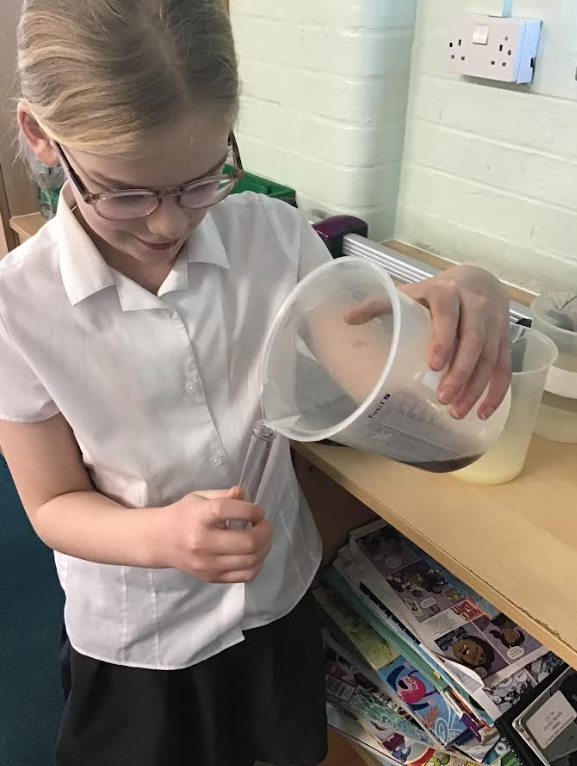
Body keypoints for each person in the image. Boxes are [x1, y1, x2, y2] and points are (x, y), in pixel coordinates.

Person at [0, 1, 512, 765]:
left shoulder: (274, 237)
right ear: (42, 136)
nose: (168, 224)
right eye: (126, 193)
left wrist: (464, 304)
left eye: (201, 181)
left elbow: (394, 400)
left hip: (275, 601)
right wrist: (159, 537)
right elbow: (50, 504)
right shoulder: (17, 307)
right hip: (141, 635)